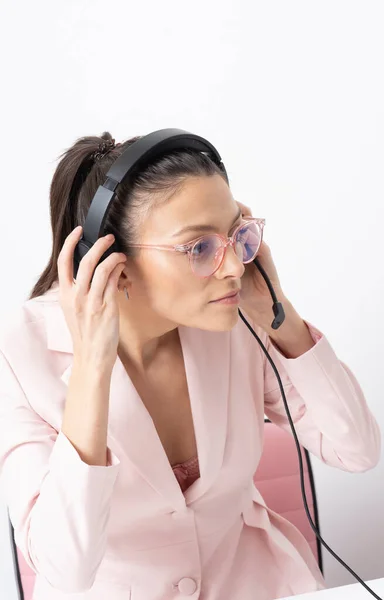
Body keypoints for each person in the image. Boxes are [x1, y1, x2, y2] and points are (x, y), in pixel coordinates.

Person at [0, 131, 380, 600]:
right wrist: (92, 369)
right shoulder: (20, 352)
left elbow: (357, 450)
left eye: (235, 237)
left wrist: (280, 315)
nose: (234, 269)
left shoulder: (234, 317)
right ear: (110, 261)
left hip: (257, 584)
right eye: (199, 248)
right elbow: (66, 567)